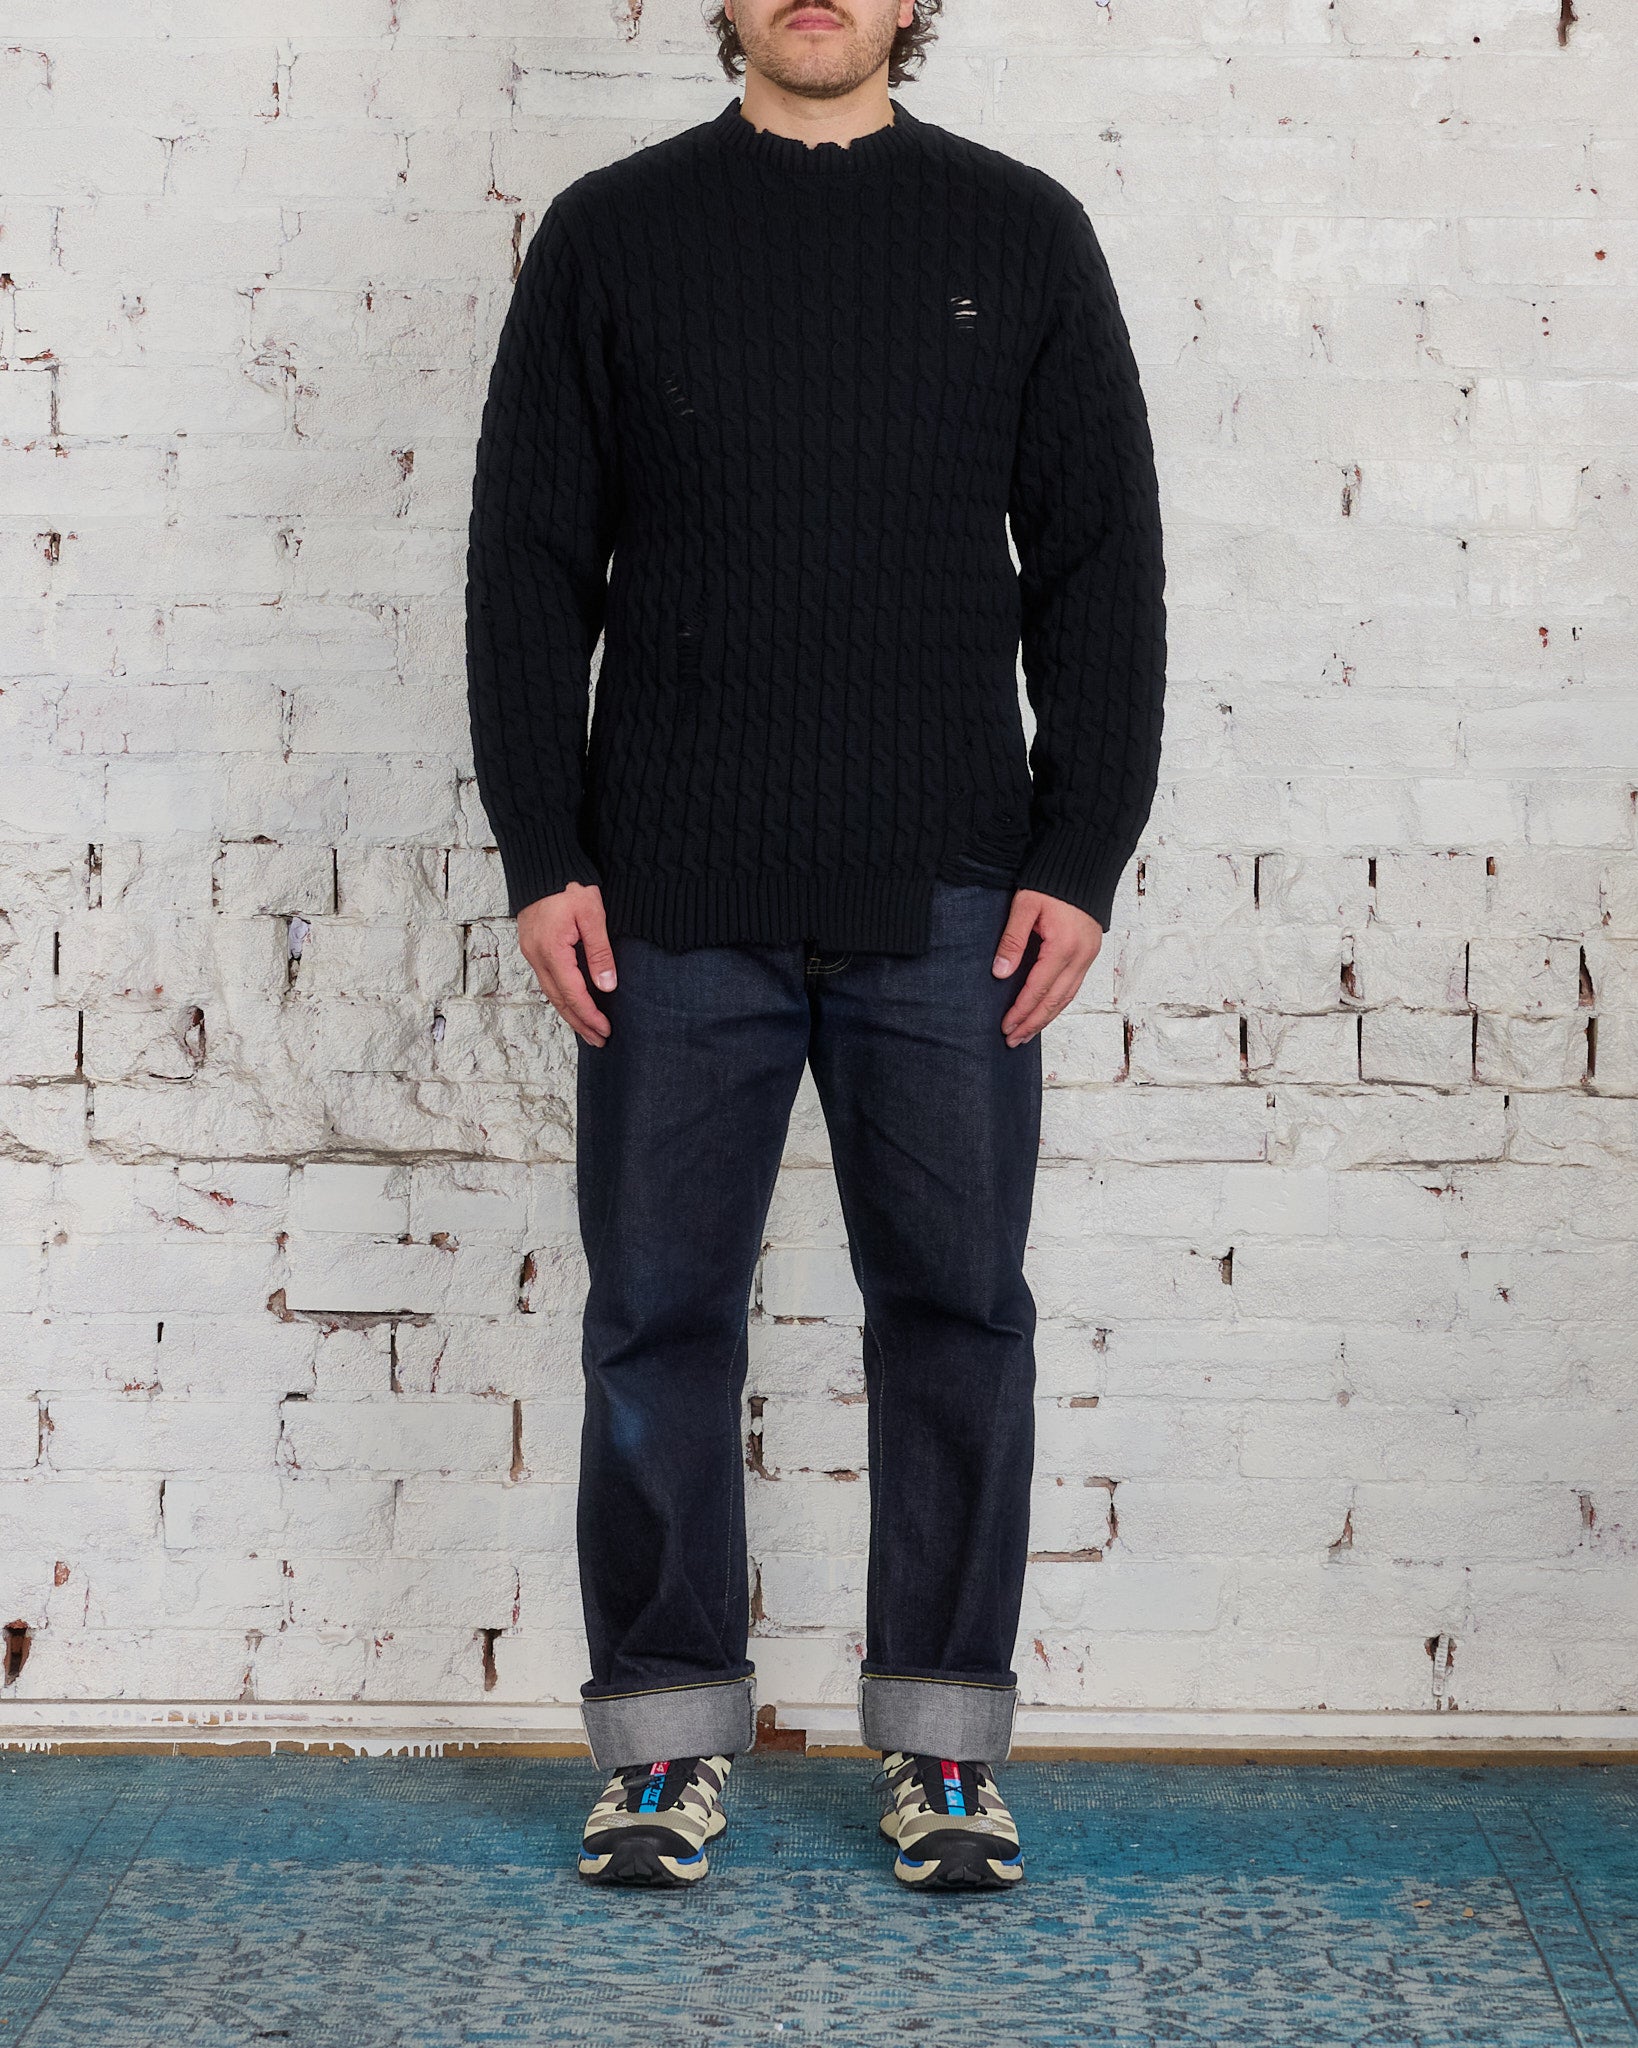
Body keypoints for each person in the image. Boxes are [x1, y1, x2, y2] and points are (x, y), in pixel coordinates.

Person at [464, 0, 1166, 1892]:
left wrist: (1081, 848)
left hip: (951, 892)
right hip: (667, 889)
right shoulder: (613, 232)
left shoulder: (1019, 230)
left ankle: (944, 1751)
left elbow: (1098, 557)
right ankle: (659, 1749)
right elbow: (527, 559)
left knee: (956, 1316)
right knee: (656, 1319)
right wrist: (542, 848)